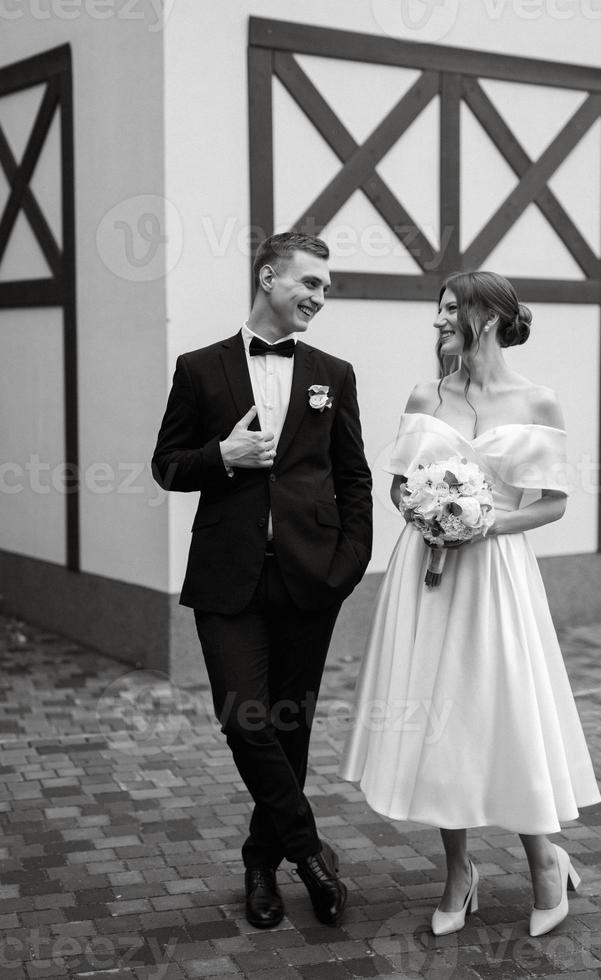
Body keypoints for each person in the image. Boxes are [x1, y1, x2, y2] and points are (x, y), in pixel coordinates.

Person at [339, 270, 600, 938]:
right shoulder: (427, 393)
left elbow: (552, 503)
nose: (437, 321)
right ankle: (458, 871)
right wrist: (425, 514)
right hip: (425, 578)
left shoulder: (538, 401)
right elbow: (397, 490)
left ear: (484, 318)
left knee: (503, 712)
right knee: (437, 718)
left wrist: (482, 523)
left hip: (495, 576)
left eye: (449, 309)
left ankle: (544, 858)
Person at [152, 231, 373, 929]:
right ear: (268, 276)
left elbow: (353, 478)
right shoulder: (199, 369)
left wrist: (347, 567)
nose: (318, 298)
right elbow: (166, 465)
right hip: (226, 578)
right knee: (243, 716)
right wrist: (220, 454)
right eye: (308, 284)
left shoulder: (332, 373)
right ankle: (308, 853)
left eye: (325, 290)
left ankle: (261, 864)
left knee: (291, 727)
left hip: (311, 580)